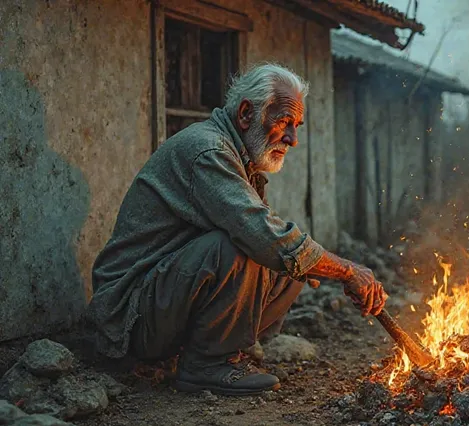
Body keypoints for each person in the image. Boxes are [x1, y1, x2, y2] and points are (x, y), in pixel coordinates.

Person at [86, 63, 387, 396]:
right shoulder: (208, 150)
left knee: (293, 265)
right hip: (129, 318)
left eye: (296, 126)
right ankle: (208, 365)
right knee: (250, 246)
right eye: (285, 122)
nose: (293, 139)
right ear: (246, 113)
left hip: (162, 306)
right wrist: (346, 271)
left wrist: (326, 268)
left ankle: (217, 351)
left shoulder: (241, 158)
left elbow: (280, 243)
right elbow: (260, 235)